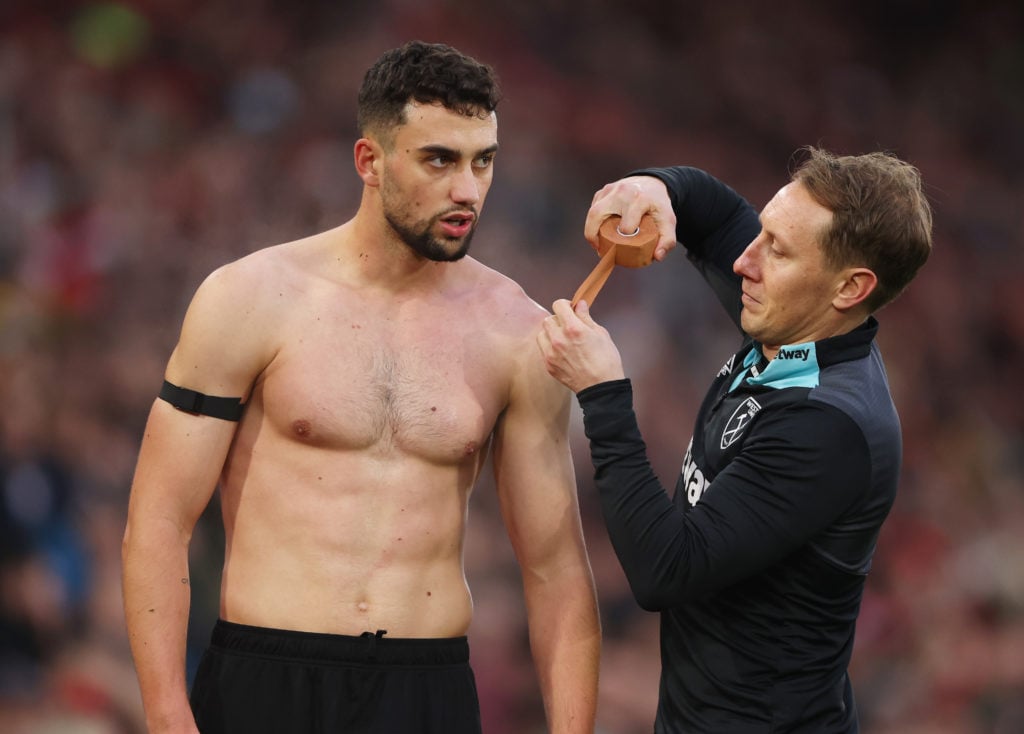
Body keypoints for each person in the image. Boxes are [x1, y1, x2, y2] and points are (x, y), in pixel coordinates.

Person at [121, 40, 600, 734]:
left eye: (483, 160)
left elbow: (555, 569)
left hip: (425, 688)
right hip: (267, 679)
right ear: (370, 162)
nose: (467, 188)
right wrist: (167, 716)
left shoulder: (518, 333)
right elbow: (159, 524)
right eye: (440, 159)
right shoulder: (249, 298)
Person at [538, 148, 932, 732]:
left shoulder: (830, 424)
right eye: (765, 232)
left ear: (850, 288)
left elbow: (665, 570)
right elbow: (717, 214)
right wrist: (655, 188)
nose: (746, 260)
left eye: (778, 248)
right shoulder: (794, 323)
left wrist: (603, 396)